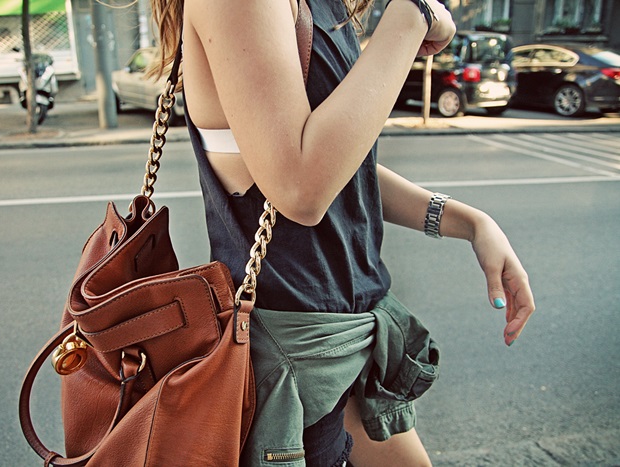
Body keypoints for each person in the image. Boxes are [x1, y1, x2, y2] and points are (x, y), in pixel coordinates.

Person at [149, 0, 535, 465]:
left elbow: (342, 166)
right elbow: (301, 186)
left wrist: (469, 223)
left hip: (346, 343)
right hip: (294, 370)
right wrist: (412, 16)